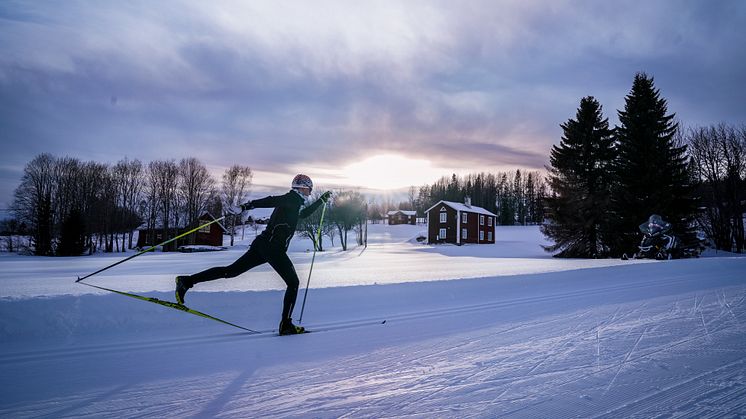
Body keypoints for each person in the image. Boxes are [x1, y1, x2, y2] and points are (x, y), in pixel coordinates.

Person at [175, 174, 331, 335]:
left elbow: (302, 215)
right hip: (273, 248)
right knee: (293, 283)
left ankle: (186, 281)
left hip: (262, 245)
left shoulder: (294, 204)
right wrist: (245, 207)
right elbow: (271, 200)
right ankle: (286, 324)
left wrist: (321, 201)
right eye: (309, 189)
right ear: (303, 187)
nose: (310, 193)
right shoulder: (291, 199)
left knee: (231, 271)